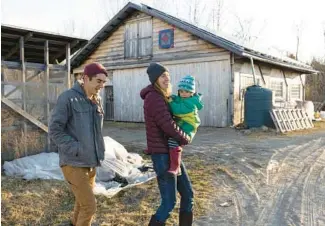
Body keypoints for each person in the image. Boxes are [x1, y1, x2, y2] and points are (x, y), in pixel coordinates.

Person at [49, 62, 107, 226]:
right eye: (98, 81)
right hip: (73, 162)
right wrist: (76, 148)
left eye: (103, 82)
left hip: (90, 161)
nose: (101, 85)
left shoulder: (96, 99)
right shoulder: (68, 98)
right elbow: (55, 130)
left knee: (82, 203)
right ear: (85, 78)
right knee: (90, 207)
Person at [140, 62, 194, 226]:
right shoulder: (154, 98)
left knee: (188, 195)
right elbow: (168, 125)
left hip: (171, 152)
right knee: (169, 202)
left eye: (168, 76)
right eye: (163, 75)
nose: (167, 79)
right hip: (162, 155)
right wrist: (185, 137)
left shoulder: (162, 96)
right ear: (155, 78)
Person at [167, 75, 204, 175]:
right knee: (169, 139)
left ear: (191, 93)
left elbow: (177, 110)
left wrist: (170, 101)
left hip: (188, 126)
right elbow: (179, 100)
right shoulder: (184, 98)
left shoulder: (191, 103)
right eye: (181, 91)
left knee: (174, 141)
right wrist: (174, 97)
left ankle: (176, 167)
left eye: (187, 92)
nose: (183, 94)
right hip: (182, 123)